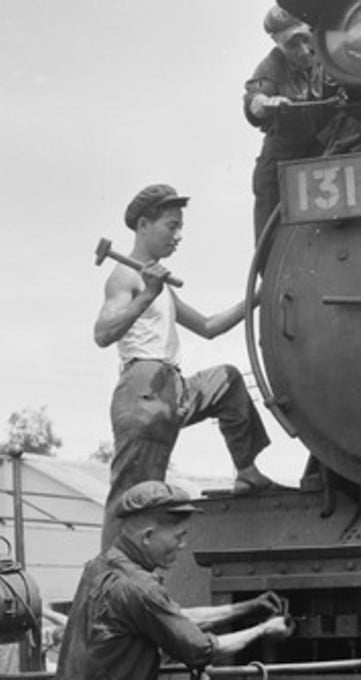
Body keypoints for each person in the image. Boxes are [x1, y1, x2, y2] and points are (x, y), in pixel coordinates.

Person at [94, 184, 279, 550]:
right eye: (171, 226)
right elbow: (102, 333)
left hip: (172, 387)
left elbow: (209, 327)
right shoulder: (125, 277)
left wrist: (259, 295)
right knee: (135, 499)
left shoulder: (159, 285)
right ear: (144, 224)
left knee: (227, 381)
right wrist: (146, 294)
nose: (178, 236)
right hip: (143, 390)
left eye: (180, 228)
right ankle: (110, 582)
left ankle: (247, 472)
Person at [56, 481, 292, 680]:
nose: (182, 545)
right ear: (148, 536)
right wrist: (263, 630)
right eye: (178, 537)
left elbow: (171, 619)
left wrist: (247, 607)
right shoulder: (141, 589)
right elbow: (201, 650)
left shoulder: (98, 568)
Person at [245, 6, 345, 240]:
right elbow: (254, 98)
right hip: (283, 156)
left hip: (327, 147)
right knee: (270, 229)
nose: (302, 50)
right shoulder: (272, 65)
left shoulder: (332, 50)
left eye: (305, 39)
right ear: (278, 44)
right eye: (292, 44)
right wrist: (265, 103)